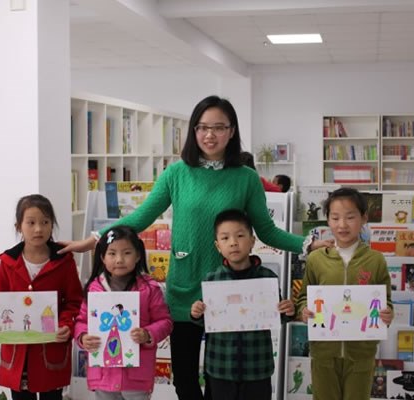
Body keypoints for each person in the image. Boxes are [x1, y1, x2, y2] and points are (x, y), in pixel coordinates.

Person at [58, 95, 329, 400]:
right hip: (184, 289)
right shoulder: (177, 173)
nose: (210, 135)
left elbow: (266, 231)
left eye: (218, 127)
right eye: (202, 127)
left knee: (219, 380)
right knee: (184, 380)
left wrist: (309, 244)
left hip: (227, 292)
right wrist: (94, 239)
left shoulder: (247, 179)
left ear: (231, 131)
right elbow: (141, 217)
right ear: (194, 131)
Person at [0, 194, 83, 400]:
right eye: (31, 223)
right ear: (19, 226)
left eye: (45, 222)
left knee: (52, 396)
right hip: (17, 351)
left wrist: (66, 325)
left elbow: (74, 301)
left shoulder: (64, 261)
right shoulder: (8, 262)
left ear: (52, 225)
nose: (38, 229)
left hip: (50, 348)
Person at [296, 187, 393, 400]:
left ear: (364, 218)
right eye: (335, 218)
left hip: (361, 354)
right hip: (324, 353)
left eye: (350, 217)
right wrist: (303, 310)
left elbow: (385, 300)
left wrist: (387, 314)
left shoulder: (375, 260)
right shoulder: (316, 259)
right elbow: (304, 297)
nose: (342, 225)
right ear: (328, 220)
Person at [190, 209, 295, 400]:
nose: (233, 242)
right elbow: (206, 322)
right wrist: (197, 314)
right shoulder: (212, 280)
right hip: (221, 367)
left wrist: (286, 311)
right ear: (218, 245)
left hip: (257, 368)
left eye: (240, 236)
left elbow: (276, 316)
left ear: (252, 241)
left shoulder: (267, 278)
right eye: (225, 238)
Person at [74, 226, 173, 399]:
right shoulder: (94, 289)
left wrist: (148, 334)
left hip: (136, 374)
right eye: (112, 253)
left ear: (138, 255)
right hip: (103, 373)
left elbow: (165, 322)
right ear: (102, 257)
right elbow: (82, 321)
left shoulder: (149, 288)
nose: (119, 260)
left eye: (127, 253)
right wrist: (83, 337)